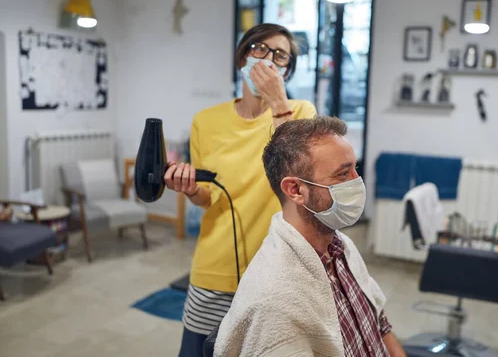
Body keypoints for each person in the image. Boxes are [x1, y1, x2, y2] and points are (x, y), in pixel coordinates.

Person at [163, 23, 317, 356]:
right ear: (242, 57)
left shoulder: (301, 113)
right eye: (259, 49)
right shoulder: (205, 120)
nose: (269, 60)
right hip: (214, 266)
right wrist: (190, 189)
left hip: (279, 271)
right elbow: (209, 196)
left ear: (287, 71)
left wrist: (278, 101)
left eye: (280, 56)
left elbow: (299, 177)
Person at [215, 116, 407, 357]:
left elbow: (379, 324)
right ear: (295, 190)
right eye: (342, 174)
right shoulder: (274, 300)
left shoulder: (339, 246)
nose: (357, 182)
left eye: (354, 169)